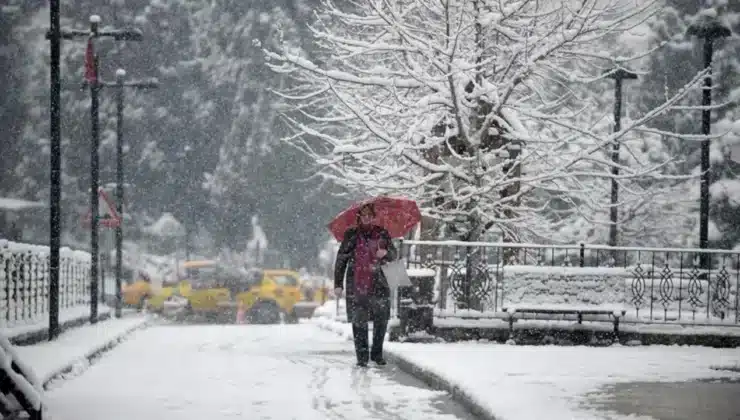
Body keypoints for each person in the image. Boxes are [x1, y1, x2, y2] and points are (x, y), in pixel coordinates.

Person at [334, 203, 397, 367]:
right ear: (359, 217)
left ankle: (377, 354)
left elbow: (394, 255)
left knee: (381, 320)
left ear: (374, 216)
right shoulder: (352, 235)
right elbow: (341, 260)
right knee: (359, 321)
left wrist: (386, 253)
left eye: (370, 215)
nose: (367, 217)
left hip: (380, 283)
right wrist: (338, 284)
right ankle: (362, 357)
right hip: (358, 284)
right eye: (364, 215)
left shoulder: (383, 234)